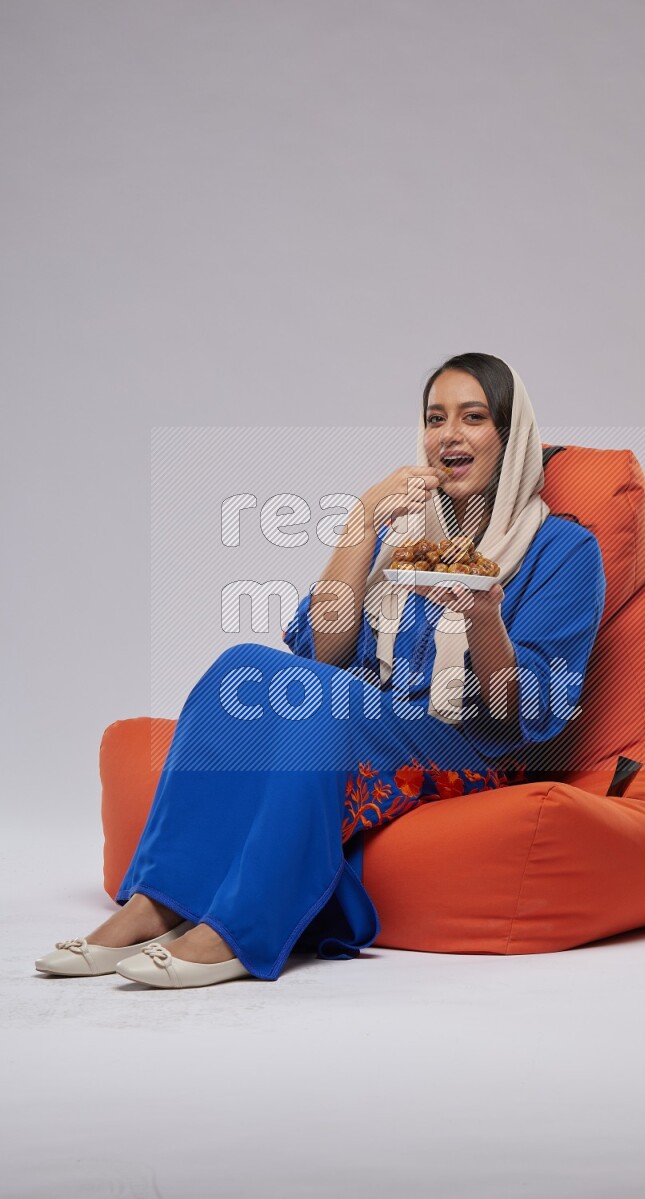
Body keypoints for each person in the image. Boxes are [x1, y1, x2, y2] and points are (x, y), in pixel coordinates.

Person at [34, 353, 606, 989]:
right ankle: (155, 903)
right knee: (239, 670)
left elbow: (524, 712)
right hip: (377, 711)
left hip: (472, 743)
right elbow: (323, 653)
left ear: (510, 436)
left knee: (326, 710)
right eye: (434, 418)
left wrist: (483, 615)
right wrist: (362, 523)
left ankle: (241, 930)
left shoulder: (565, 549)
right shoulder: (408, 541)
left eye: (473, 418)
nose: (449, 434)